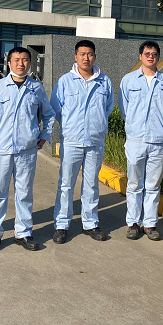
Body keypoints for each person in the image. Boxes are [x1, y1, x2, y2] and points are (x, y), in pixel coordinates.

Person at [0, 47, 55, 252]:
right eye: (16, 60)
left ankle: (23, 233)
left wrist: (45, 136)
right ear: (9, 63)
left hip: (26, 151)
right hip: (1, 149)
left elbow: (49, 114)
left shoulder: (36, 88)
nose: (21, 64)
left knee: (24, 193)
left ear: (30, 63)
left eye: (25, 60)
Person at [50, 40, 114, 244]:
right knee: (66, 184)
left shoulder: (104, 81)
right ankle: (62, 224)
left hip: (95, 141)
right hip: (72, 141)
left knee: (91, 184)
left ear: (95, 56)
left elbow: (108, 107)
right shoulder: (65, 81)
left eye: (90, 54)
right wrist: (71, 126)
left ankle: (90, 223)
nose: (86, 58)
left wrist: (96, 125)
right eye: (82, 54)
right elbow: (56, 109)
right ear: (75, 57)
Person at [118, 41, 163, 241]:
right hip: (136, 139)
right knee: (134, 183)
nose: (151, 56)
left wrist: (157, 126)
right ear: (140, 56)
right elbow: (124, 109)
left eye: (154, 54)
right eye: (147, 53)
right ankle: (133, 223)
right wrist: (134, 127)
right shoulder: (128, 80)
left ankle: (150, 224)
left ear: (158, 57)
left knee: (153, 184)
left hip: (158, 140)